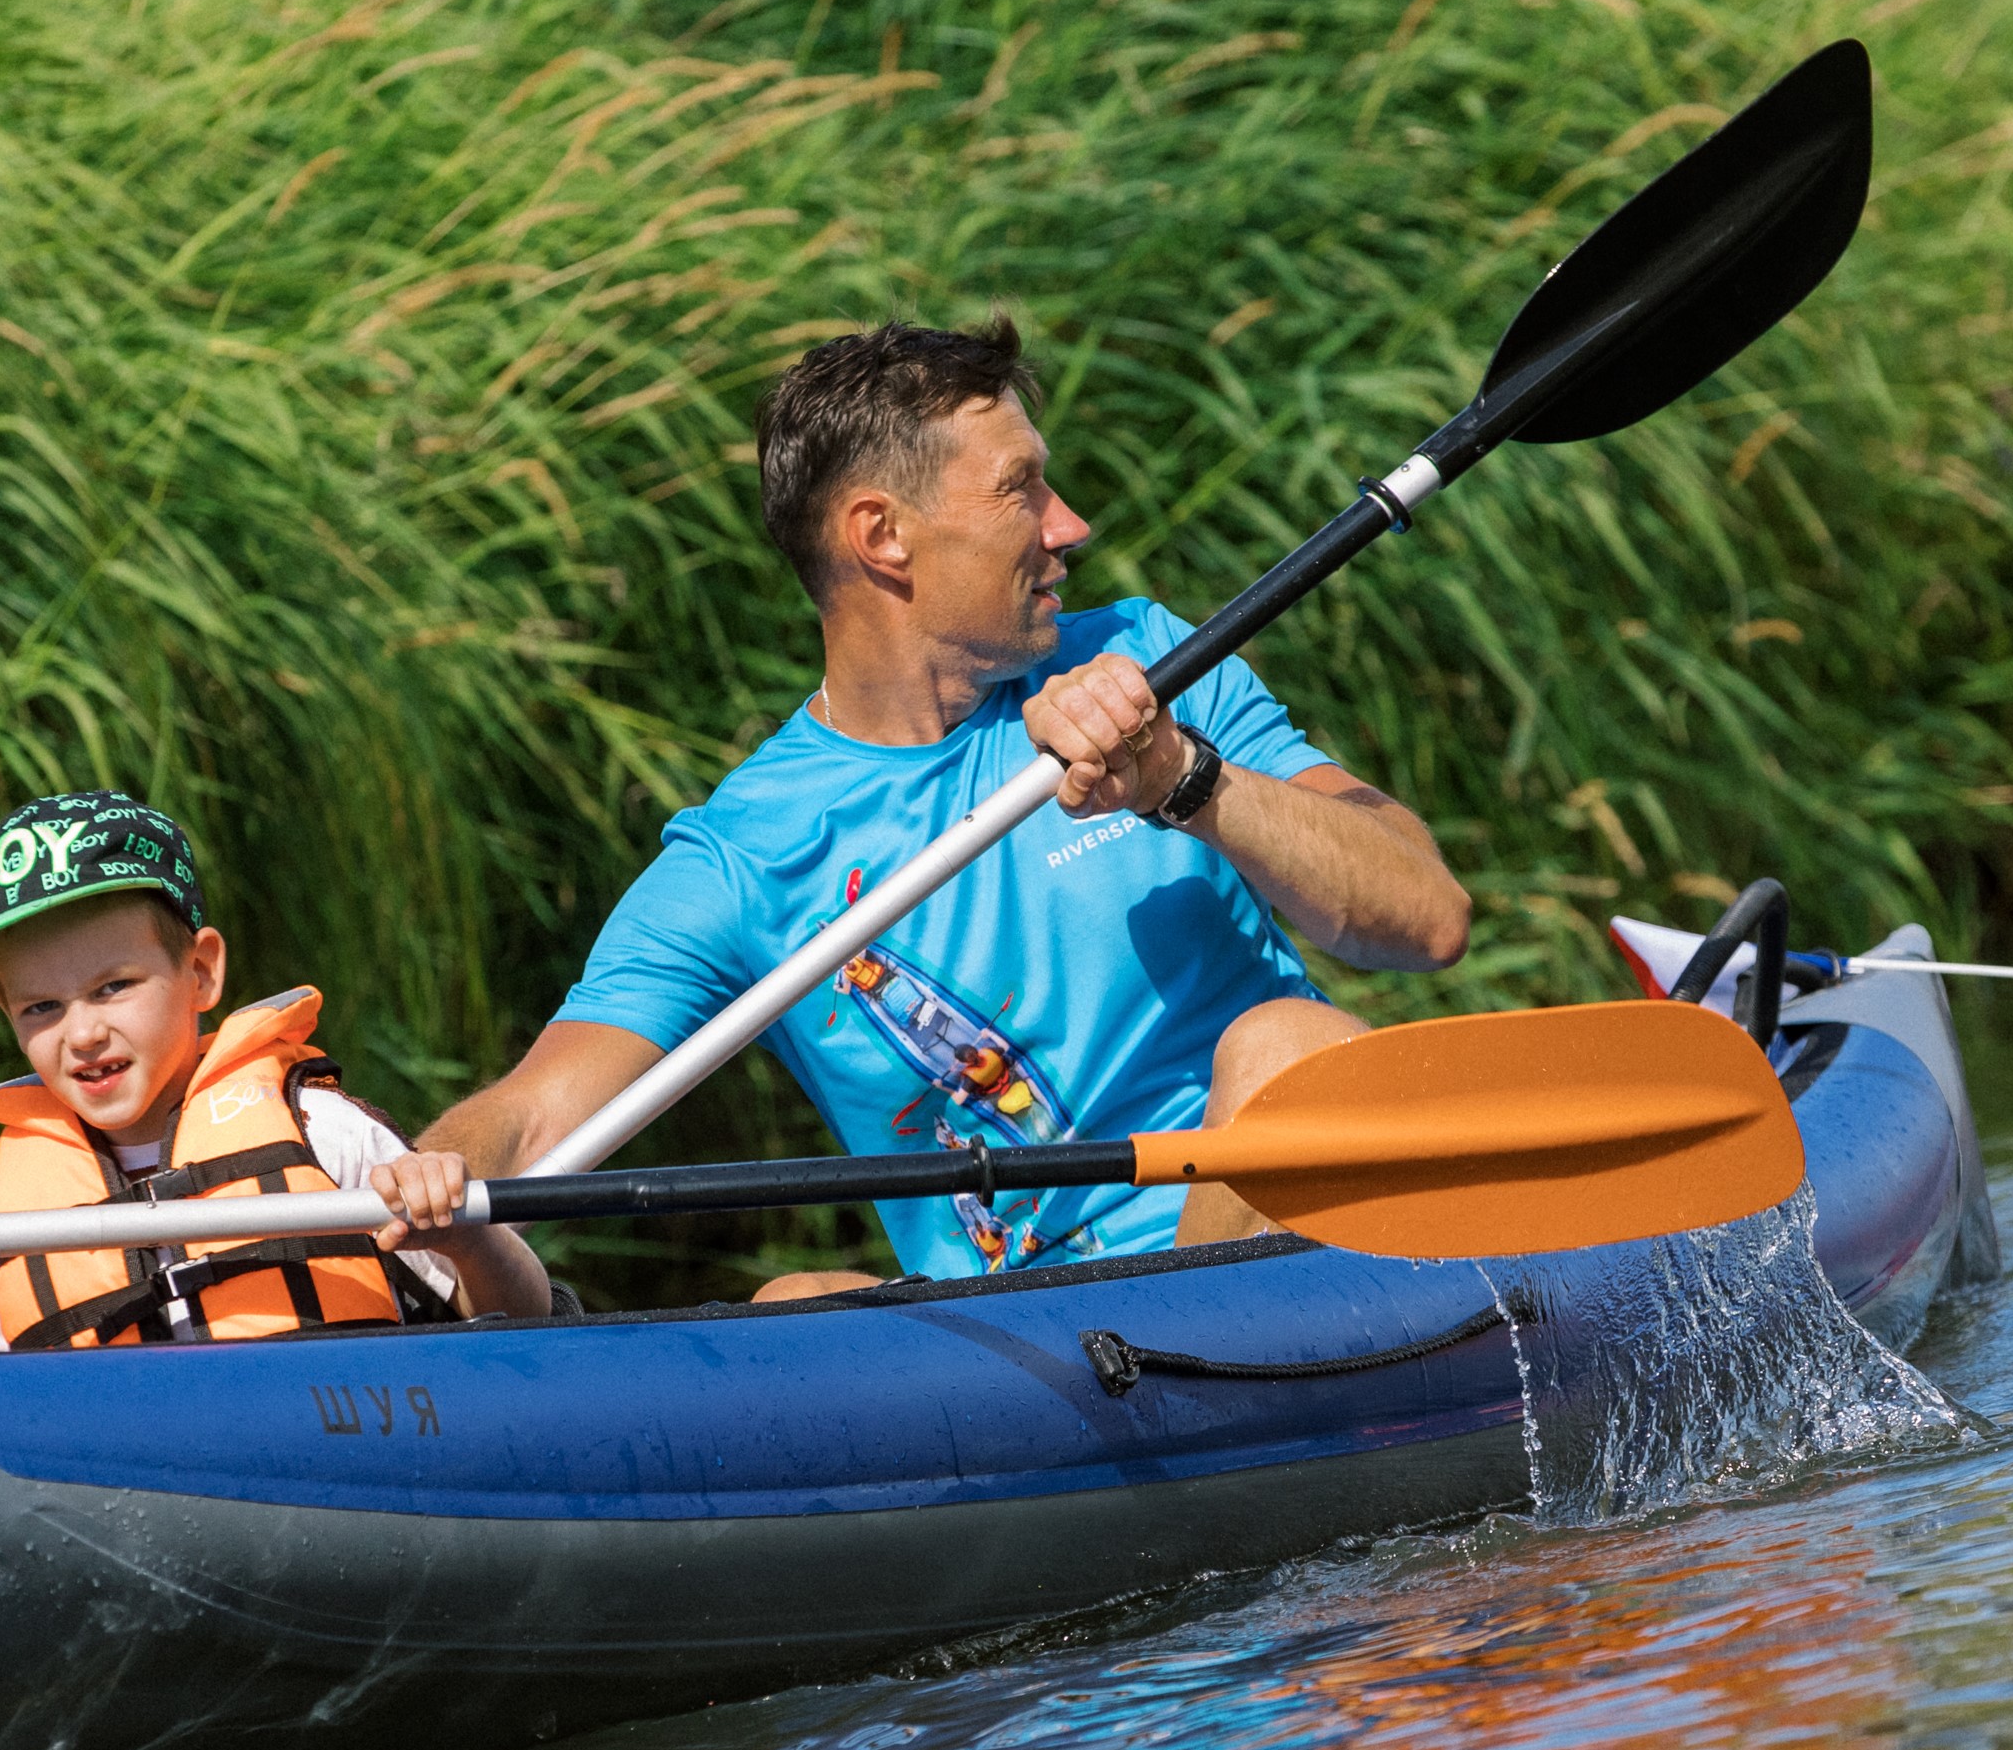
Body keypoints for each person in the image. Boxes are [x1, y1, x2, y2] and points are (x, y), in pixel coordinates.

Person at [417, 319, 1471, 1293]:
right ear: (882, 536)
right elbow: (532, 1116)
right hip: (1027, 1343)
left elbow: (1426, 917)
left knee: (1288, 1045)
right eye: (1021, 490)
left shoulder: (1148, 660)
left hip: (1266, 1271)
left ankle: (1197, 1366)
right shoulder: (744, 858)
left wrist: (1182, 778)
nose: (1070, 525)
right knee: (797, 1301)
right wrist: (415, 1174)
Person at [0, 792, 549, 1356]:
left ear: (200, 972)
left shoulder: (324, 1135)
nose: (82, 1033)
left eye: (113, 988)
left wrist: (471, 1241)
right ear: (6, 1013)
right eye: (41, 1007)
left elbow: (524, 1315)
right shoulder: (0, 1217)